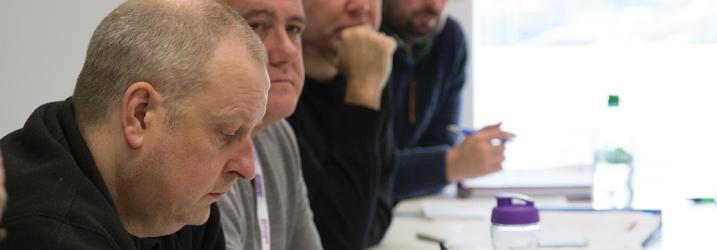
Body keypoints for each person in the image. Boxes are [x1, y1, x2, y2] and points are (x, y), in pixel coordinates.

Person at [0, 0, 269, 249]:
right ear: (139, 114)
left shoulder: (173, 204)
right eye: (228, 133)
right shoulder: (48, 234)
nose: (247, 168)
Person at [287, 0, 398, 249]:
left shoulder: (370, 61)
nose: (361, 6)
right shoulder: (277, 89)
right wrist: (363, 91)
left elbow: (381, 207)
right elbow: (336, 239)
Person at [382, 0, 514, 200]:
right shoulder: (354, 44)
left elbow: (441, 143)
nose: (434, 5)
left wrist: (455, 161)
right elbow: (361, 174)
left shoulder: (448, 39)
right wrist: (450, 164)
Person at [218, 0, 323, 249]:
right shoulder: (197, 152)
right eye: (256, 26)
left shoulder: (278, 133)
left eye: (294, 29)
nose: (288, 50)